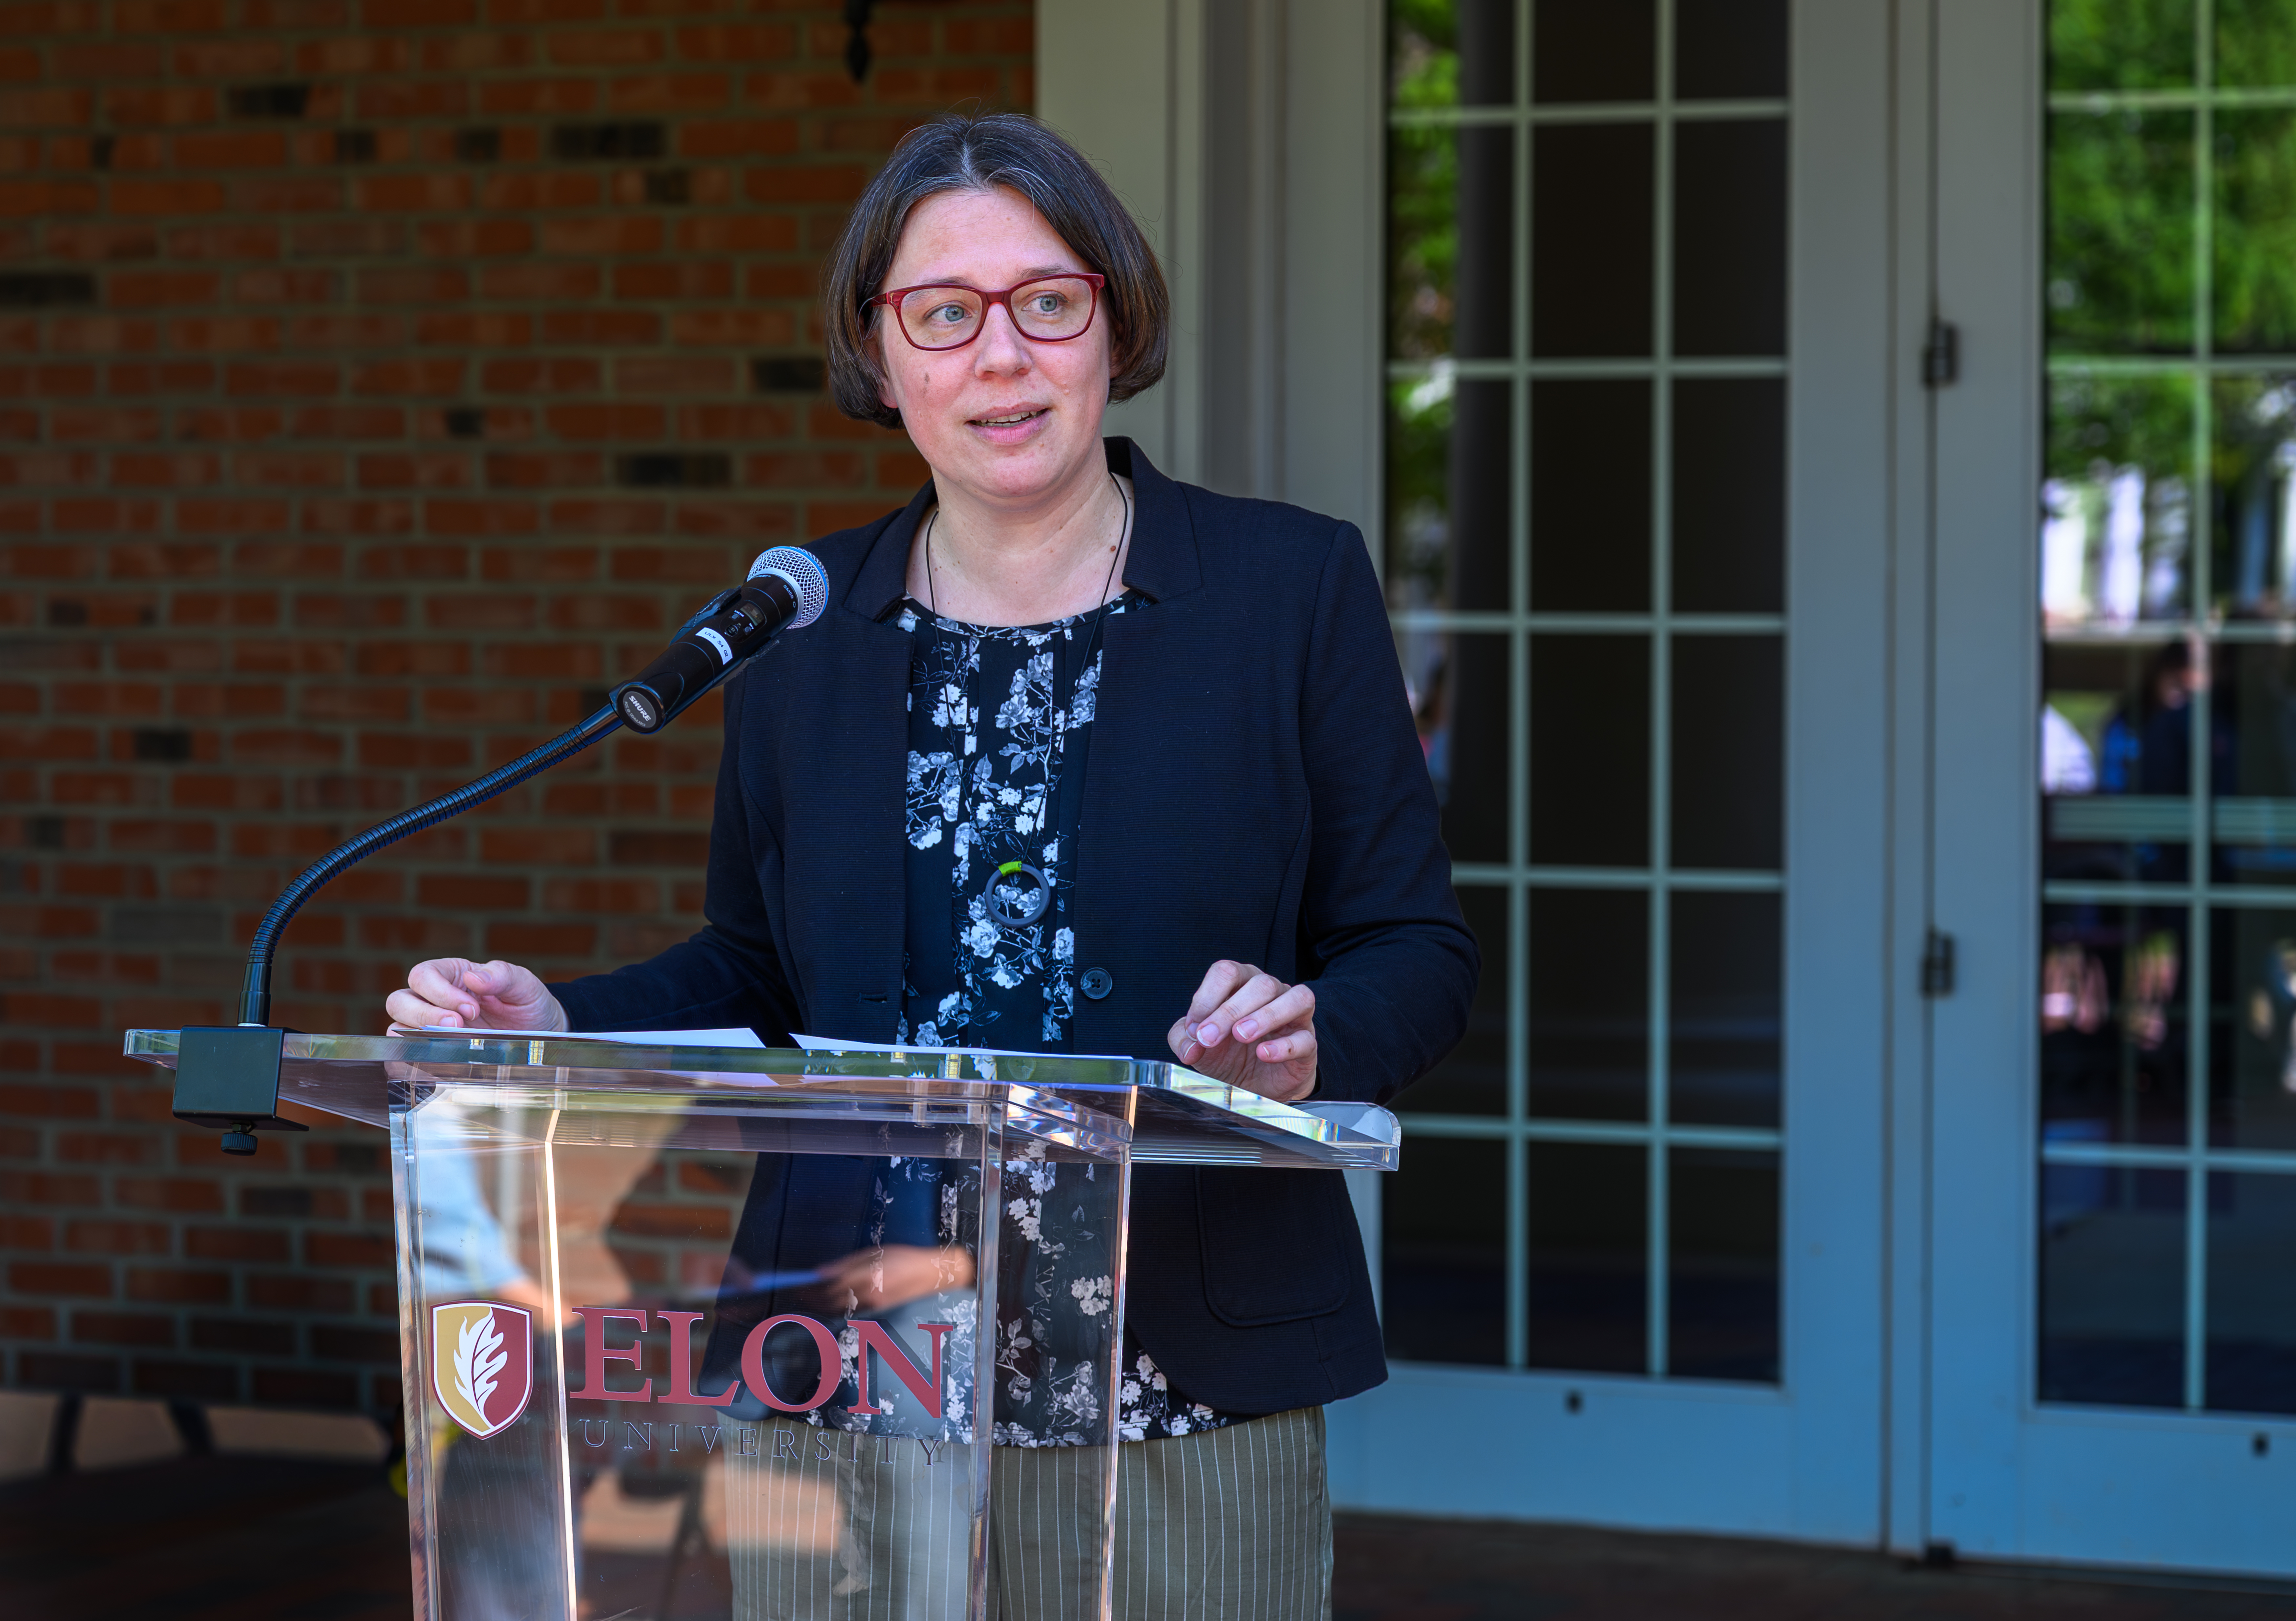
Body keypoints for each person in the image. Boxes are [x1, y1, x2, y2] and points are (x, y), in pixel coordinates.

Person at [387, 109, 1477, 1619]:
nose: (1001, 356)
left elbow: (1414, 953)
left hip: (1179, 1385)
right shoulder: (799, 627)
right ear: (880, 356)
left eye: (1047, 302)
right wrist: (554, 1025)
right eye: (944, 315)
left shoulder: (1287, 590)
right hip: (849, 1376)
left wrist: (1305, 1039)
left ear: (1113, 318)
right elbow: (761, 973)